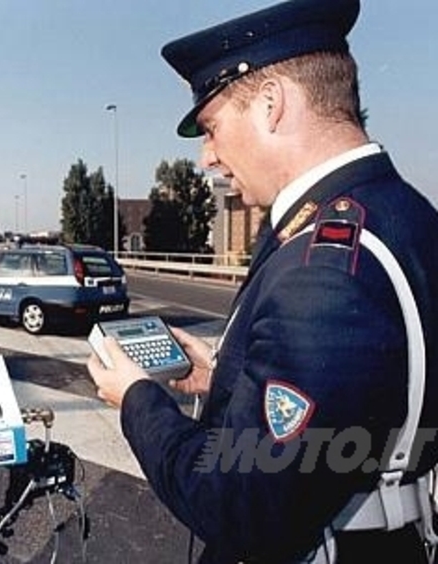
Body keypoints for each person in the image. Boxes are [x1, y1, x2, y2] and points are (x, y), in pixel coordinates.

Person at [87, 0, 438, 562]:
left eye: (211, 127)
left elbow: (241, 505)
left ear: (271, 104)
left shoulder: (322, 268)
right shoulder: (406, 215)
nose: (207, 158)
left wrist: (137, 401)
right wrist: (226, 374)